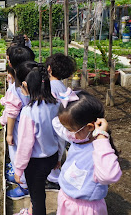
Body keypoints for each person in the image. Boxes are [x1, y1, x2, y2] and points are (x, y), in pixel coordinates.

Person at [53, 90, 121, 215]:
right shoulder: (78, 137)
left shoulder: (99, 150)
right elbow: (56, 123)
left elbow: (109, 176)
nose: (67, 133)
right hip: (65, 199)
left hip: (84, 209)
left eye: (70, 129)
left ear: (90, 127)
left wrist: (101, 137)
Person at [13, 61, 61, 215]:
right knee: (38, 191)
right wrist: (59, 157)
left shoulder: (29, 112)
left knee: (37, 195)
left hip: (36, 163)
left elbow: (25, 145)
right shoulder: (56, 105)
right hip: (52, 156)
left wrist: (18, 169)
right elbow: (60, 135)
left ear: (27, 86)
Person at [3, 45, 36, 200]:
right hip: (34, 126)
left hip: (19, 128)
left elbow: (11, 113)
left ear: (11, 64)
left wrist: (9, 134)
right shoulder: (35, 80)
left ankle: (23, 186)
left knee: (19, 156)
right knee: (31, 155)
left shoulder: (16, 88)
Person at [44, 53, 77, 190]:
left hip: (53, 126)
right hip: (61, 125)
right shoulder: (62, 87)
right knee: (58, 151)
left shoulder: (50, 87)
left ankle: (55, 180)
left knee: (52, 154)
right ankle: (55, 175)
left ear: (49, 69)